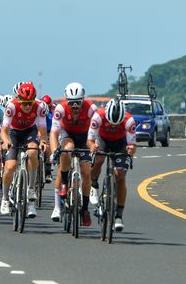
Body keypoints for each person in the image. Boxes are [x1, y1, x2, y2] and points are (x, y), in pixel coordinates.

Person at [49, 82, 97, 225]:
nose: (75, 106)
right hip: (67, 134)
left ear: (83, 100)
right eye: (71, 103)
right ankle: (61, 195)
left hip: (85, 137)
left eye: (78, 103)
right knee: (67, 149)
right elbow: (53, 133)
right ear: (66, 101)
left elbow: (98, 131)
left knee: (86, 172)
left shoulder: (91, 109)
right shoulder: (60, 109)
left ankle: (85, 209)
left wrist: (95, 146)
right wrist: (54, 152)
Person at [87, 98, 137, 232]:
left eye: (117, 124)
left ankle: (119, 216)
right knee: (98, 159)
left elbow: (132, 145)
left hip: (120, 142)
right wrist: (92, 146)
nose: (113, 126)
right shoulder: (98, 116)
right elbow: (90, 140)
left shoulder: (129, 121)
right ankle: (93, 184)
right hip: (102, 140)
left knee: (120, 176)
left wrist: (131, 149)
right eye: (111, 123)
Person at [0, 82, 48, 217]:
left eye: (30, 103)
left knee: (33, 151)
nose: (27, 106)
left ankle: (31, 188)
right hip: (13, 132)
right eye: (25, 103)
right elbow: (4, 130)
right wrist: (6, 141)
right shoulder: (11, 106)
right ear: (19, 100)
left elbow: (42, 128)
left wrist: (43, 141)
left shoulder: (39, 107)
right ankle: (5, 198)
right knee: (10, 166)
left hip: (29, 131)